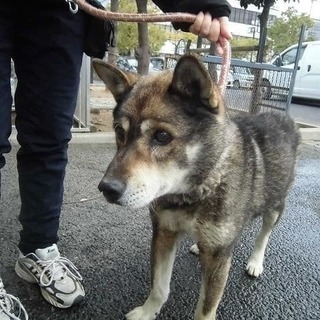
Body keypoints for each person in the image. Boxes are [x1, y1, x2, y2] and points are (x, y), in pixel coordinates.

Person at [0, 0, 231, 319]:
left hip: (58, 12)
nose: (116, 172)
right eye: (121, 135)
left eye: (161, 136)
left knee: (49, 138)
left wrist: (199, 4)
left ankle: (37, 250)